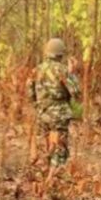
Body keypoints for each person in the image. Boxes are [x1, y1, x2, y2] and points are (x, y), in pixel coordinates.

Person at [28, 38, 81, 168]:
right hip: (59, 114)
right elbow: (76, 92)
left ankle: (45, 172)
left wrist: (38, 105)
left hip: (42, 113)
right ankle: (55, 175)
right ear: (61, 54)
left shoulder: (36, 70)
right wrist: (72, 74)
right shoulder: (62, 70)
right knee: (59, 148)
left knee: (47, 144)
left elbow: (30, 92)